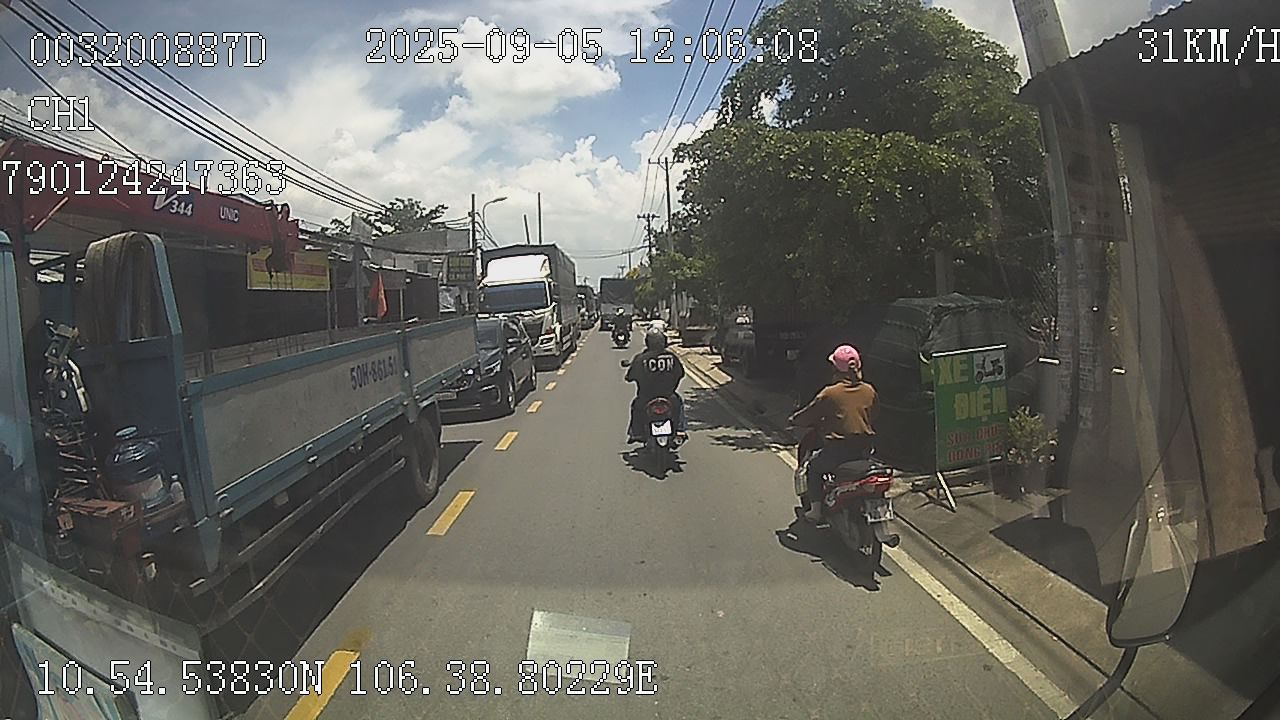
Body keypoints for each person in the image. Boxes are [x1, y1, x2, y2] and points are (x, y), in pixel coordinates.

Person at [788, 344, 878, 522]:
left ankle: (816, 511)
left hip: (837, 452)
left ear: (835, 369)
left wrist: (794, 420)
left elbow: (809, 414)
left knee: (813, 468)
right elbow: (874, 415)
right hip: (865, 451)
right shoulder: (869, 390)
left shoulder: (830, 393)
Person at [625, 328, 688, 444]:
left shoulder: (641, 359)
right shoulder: (671, 357)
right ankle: (680, 430)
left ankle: (637, 433)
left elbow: (629, 377)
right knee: (679, 404)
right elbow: (680, 374)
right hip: (668, 396)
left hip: (646, 397)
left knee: (636, 406)